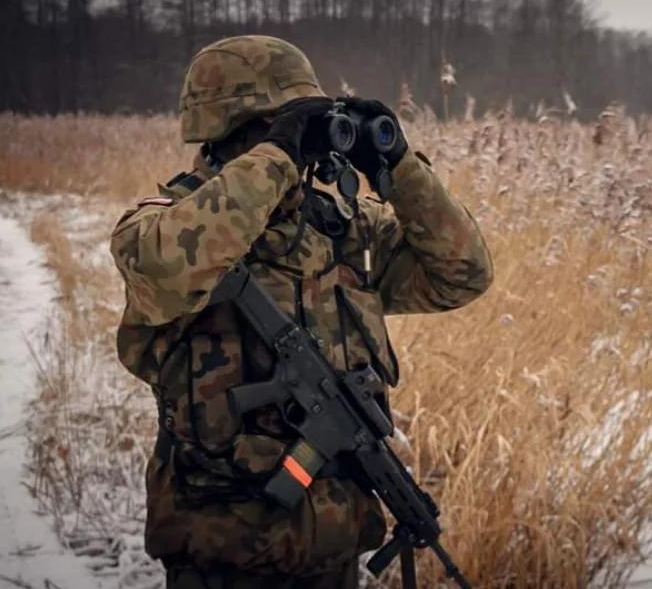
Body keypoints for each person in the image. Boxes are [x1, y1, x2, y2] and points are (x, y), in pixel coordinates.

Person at [109, 35, 493, 588]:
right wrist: (277, 156)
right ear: (228, 132)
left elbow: (464, 273)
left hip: (333, 558)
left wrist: (400, 167)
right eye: (282, 127)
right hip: (219, 561)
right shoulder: (160, 228)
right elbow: (167, 266)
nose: (308, 147)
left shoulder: (342, 231)